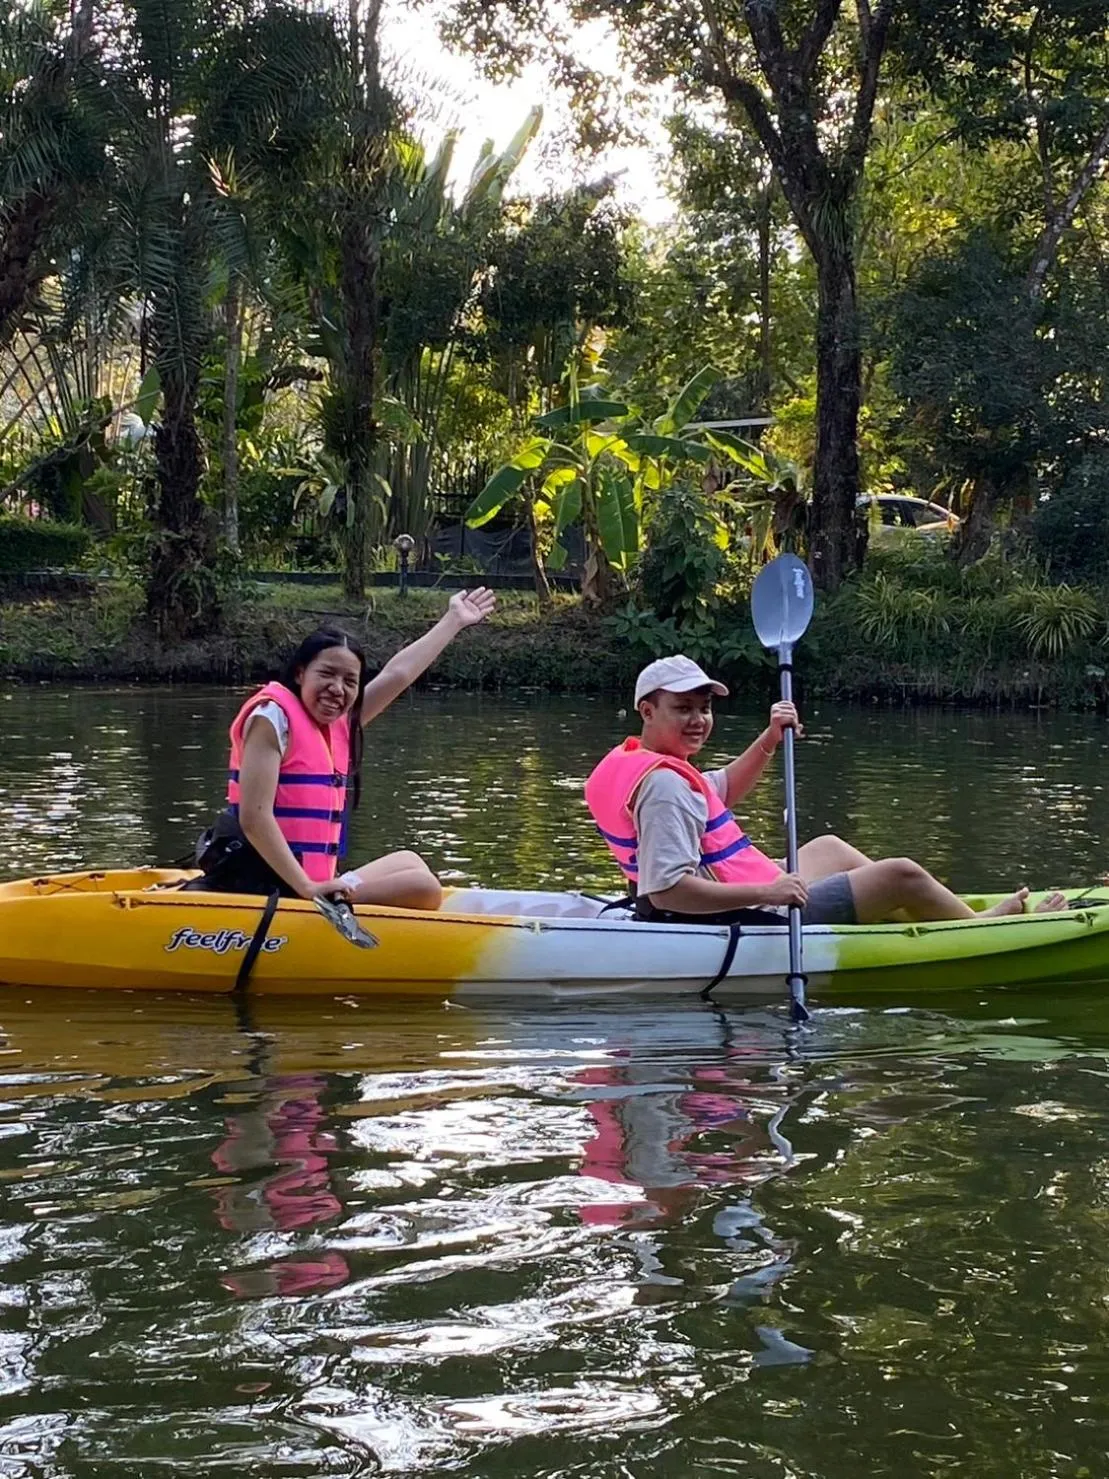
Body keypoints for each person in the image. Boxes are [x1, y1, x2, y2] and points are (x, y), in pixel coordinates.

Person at [584, 654, 1066, 926]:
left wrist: (769, 739)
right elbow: (667, 892)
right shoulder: (664, 786)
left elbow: (721, 789)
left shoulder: (651, 765)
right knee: (900, 873)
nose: (699, 720)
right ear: (648, 711)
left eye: (704, 708)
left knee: (830, 847)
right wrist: (770, 890)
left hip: (739, 895)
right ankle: (977, 927)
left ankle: (922, 918)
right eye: (683, 708)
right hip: (736, 916)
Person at [189, 589, 495, 907]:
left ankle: (339, 891)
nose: (337, 688)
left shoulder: (337, 725)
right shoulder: (271, 718)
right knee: (424, 888)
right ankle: (335, 896)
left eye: (350, 681)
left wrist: (453, 620)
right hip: (274, 885)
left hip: (307, 884)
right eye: (326, 674)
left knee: (409, 861)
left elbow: (397, 675)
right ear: (300, 673)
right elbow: (254, 817)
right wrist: (308, 887)